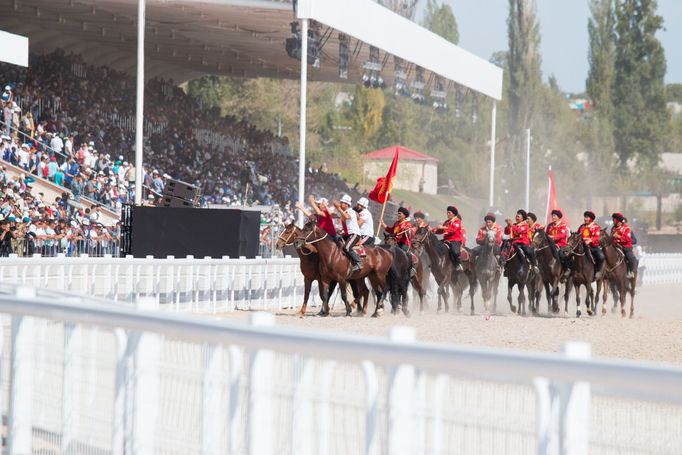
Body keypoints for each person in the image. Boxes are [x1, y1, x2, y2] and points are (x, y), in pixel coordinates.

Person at [381, 206, 415, 276]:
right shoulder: (396, 223)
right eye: (398, 213)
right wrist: (382, 224)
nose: (398, 215)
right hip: (395, 242)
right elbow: (391, 230)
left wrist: (407, 231)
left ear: (404, 215)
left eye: (400, 213)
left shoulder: (408, 224)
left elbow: (410, 234)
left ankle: (410, 269)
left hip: (404, 244)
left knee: (405, 255)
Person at [333, 194, 362, 272]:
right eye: (341, 202)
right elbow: (336, 216)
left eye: (342, 202)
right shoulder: (344, 212)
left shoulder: (351, 211)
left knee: (347, 247)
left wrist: (338, 208)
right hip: (347, 234)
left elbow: (346, 217)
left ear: (347, 204)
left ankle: (358, 263)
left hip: (354, 234)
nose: (340, 204)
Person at [433, 205, 465, 270]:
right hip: (446, 240)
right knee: (434, 246)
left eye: (449, 212)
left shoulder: (457, 221)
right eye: (447, 212)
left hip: (455, 240)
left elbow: (453, 230)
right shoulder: (447, 222)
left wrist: (443, 227)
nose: (448, 214)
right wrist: (432, 230)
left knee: (455, 251)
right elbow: (440, 231)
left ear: (453, 214)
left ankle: (458, 263)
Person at [578, 210, 604, 280]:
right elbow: (578, 235)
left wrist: (590, 240)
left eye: (587, 217)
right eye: (585, 217)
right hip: (582, 246)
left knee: (601, 256)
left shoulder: (596, 227)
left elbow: (597, 237)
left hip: (593, 246)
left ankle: (598, 271)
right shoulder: (582, 226)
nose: (585, 219)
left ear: (591, 218)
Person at [546, 209, 571, 280]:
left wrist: (552, 237)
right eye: (552, 216)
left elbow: (562, 235)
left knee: (561, 255)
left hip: (561, 245)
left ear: (558, 217)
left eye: (554, 216)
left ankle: (567, 269)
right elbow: (547, 234)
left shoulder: (563, 225)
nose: (553, 217)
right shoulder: (550, 225)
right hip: (550, 245)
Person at [611, 212, 637, 278]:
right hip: (615, 247)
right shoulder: (613, 228)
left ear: (617, 220)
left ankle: (630, 271)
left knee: (630, 257)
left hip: (625, 247)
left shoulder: (626, 228)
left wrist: (618, 236)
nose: (612, 221)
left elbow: (627, 239)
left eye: (613, 220)